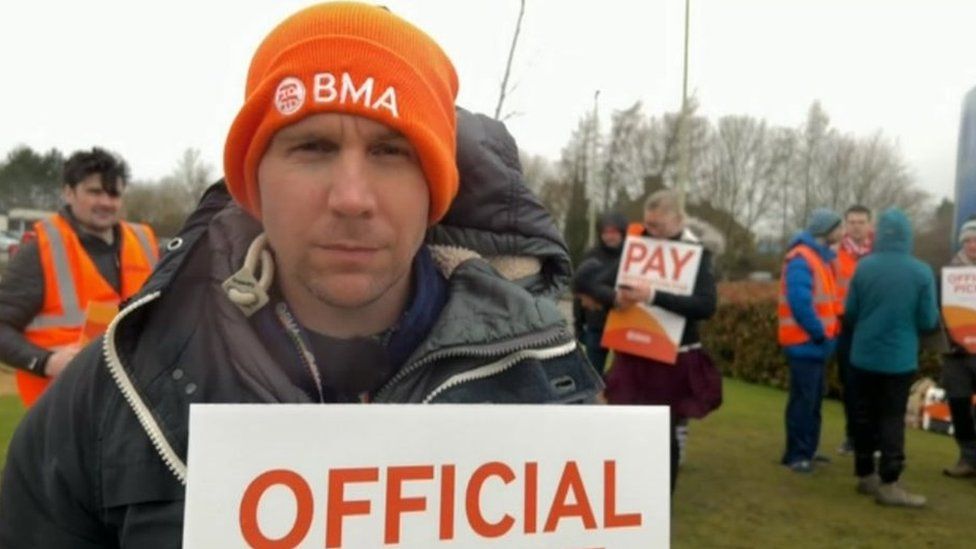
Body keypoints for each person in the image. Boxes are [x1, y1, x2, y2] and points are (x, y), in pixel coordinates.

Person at [0, 4, 601, 546]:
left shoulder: (550, 382)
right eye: (312, 147)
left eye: (392, 151)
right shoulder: (116, 390)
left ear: (434, 191)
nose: (351, 197)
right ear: (253, 182)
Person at [0, 147, 158, 407]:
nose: (106, 202)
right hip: (59, 409)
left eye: (114, 193)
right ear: (68, 192)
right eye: (95, 192)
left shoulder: (145, 242)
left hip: (129, 406)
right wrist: (46, 362)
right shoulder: (40, 248)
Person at [604, 189, 721, 492]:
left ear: (679, 220)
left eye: (659, 226)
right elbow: (604, 282)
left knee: (662, 432)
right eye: (648, 224)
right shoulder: (638, 247)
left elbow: (706, 305)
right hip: (633, 350)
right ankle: (626, 488)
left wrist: (654, 296)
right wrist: (617, 298)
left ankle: (660, 498)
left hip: (671, 356)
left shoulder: (697, 254)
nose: (652, 232)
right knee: (623, 424)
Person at [845, 208, 938, 507]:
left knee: (862, 415)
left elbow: (851, 312)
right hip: (898, 359)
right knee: (891, 418)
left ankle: (864, 474)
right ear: (907, 236)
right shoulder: (921, 271)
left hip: (862, 355)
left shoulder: (864, 267)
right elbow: (928, 320)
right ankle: (890, 481)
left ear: (879, 233)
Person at [778, 208, 843, 473]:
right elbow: (801, 303)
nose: (841, 233)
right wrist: (820, 333)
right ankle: (798, 455)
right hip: (805, 342)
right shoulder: (803, 260)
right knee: (805, 402)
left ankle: (806, 450)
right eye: (838, 228)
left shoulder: (816, 258)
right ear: (826, 231)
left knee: (810, 401)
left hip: (812, 343)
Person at [834, 205, 874, 455]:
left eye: (861, 222)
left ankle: (873, 437)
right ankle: (851, 435)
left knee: (873, 386)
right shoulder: (835, 254)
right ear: (846, 225)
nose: (856, 226)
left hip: (872, 326)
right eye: (852, 222)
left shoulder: (879, 254)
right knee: (850, 385)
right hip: (844, 327)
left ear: (870, 225)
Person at [940, 218, 976, 478]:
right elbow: (937, 310)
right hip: (955, 354)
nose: (973, 245)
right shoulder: (947, 273)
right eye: (968, 240)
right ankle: (967, 458)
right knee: (959, 405)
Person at [573, 211, 628, 374]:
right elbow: (579, 293)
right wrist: (578, 324)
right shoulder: (591, 255)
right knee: (592, 374)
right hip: (596, 325)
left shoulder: (632, 255)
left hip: (624, 324)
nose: (609, 237)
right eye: (605, 233)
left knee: (622, 376)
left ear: (622, 232)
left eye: (613, 233)